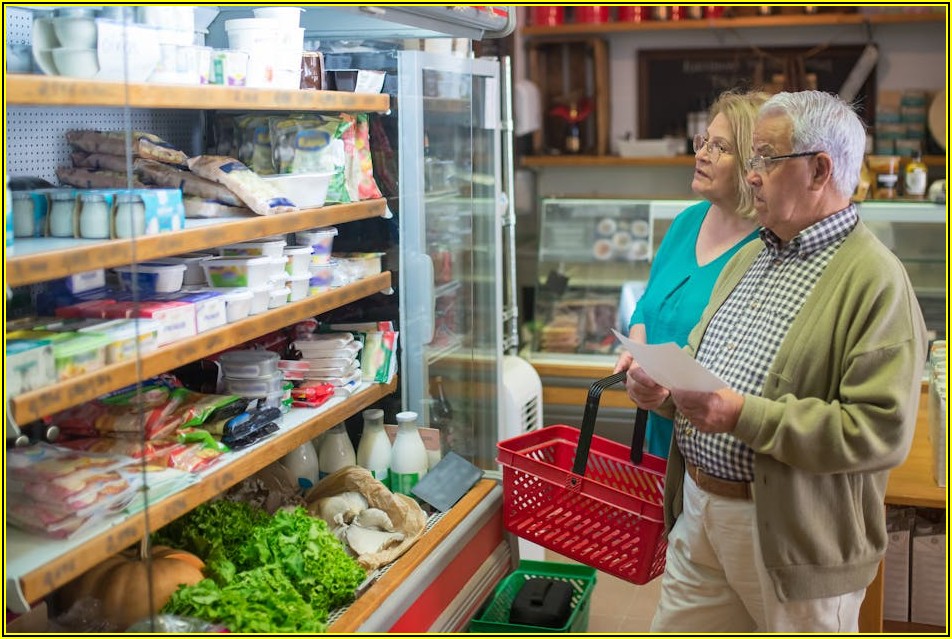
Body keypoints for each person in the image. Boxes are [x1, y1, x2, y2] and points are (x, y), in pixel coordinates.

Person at [622, 90, 928, 632]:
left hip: (793, 542)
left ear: (819, 170)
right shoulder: (751, 253)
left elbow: (878, 433)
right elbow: (699, 355)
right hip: (699, 512)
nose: (752, 174)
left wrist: (742, 415)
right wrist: (663, 390)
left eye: (766, 158)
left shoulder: (875, 280)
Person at [614, 89, 768, 458]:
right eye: (704, 142)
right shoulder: (687, 222)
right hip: (661, 438)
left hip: (719, 449)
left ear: (754, 164)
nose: (700, 154)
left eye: (720, 147)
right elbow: (647, 305)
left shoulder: (768, 245)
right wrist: (638, 358)